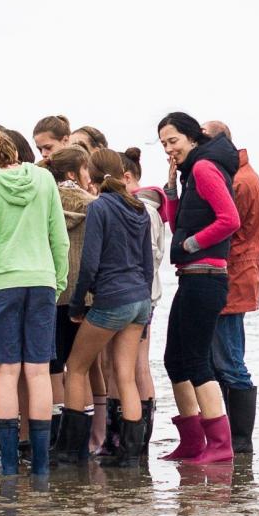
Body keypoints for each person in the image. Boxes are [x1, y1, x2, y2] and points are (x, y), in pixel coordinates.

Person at [0, 131, 68, 476]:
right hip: (41, 281)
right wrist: (58, 282)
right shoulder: (43, 180)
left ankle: (9, 463)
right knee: (39, 371)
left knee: (6, 373)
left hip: (3, 284)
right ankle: (40, 464)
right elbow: (60, 238)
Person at [55, 148, 155, 467]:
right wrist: (147, 305)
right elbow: (147, 262)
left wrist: (77, 304)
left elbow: (90, 263)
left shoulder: (100, 208)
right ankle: (130, 456)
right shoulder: (139, 208)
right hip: (140, 298)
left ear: (93, 176)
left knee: (77, 367)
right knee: (124, 375)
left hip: (112, 299)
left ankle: (71, 453)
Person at [157, 112, 241, 465]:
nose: (168, 149)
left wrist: (192, 244)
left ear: (192, 138)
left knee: (194, 360)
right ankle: (192, 442)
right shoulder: (192, 173)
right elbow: (178, 225)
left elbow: (230, 219)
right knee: (174, 360)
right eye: (163, 144)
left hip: (207, 277)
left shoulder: (206, 168)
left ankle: (220, 444)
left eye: (173, 141)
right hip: (190, 276)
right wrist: (172, 189)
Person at [202, 120, 259, 455]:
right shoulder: (242, 175)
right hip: (239, 275)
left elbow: (226, 226)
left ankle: (240, 441)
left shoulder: (239, 181)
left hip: (235, 277)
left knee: (228, 361)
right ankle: (233, 437)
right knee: (222, 358)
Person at [45, 146, 96, 453]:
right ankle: (82, 444)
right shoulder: (94, 206)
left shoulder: (45, 205)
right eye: (86, 169)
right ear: (73, 173)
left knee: (53, 368)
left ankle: (54, 439)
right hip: (84, 296)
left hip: (52, 292)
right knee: (81, 369)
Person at [116, 147, 167, 452]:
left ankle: (137, 442)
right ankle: (135, 439)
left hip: (141, 294)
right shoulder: (148, 209)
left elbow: (148, 255)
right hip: (144, 293)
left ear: (127, 177)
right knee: (136, 366)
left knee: (136, 367)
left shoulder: (143, 210)